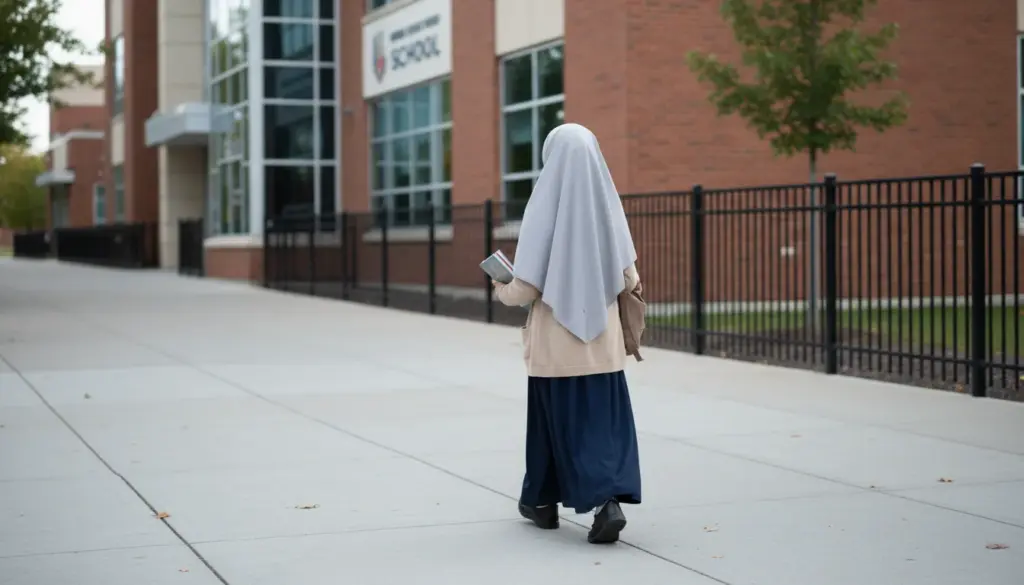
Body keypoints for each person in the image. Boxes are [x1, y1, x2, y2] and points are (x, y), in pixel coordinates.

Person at [492, 123, 642, 544]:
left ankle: (546, 503)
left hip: (556, 348)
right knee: (601, 425)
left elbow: (526, 286)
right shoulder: (607, 204)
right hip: (603, 347)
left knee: (550, 425)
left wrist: (501, 287)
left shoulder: (544, 204)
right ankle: (589, 500)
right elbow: (628, 277)